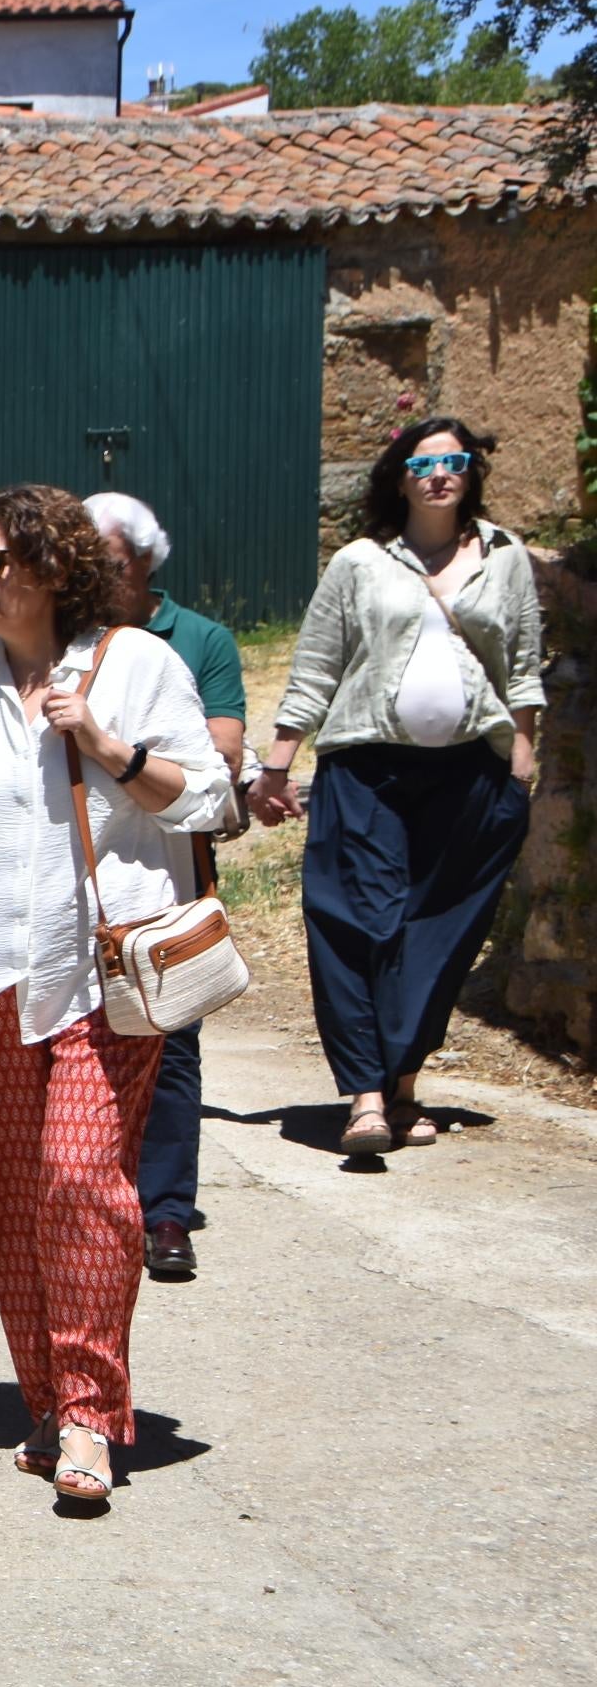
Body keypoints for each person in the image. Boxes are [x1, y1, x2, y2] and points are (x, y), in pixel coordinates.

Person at [0, 484, 230, 1504]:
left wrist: (101, 742)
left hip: (101, 970)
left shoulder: (137, 662)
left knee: (81, 1178)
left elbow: (212, 798)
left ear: (53, 567)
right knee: (12, 1197)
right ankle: (46, 1399)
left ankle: (95, 1412)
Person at [250, 419, 540, 1159]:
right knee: (356, 921)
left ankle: (405, 1082)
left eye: (454, 461)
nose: (440, 474)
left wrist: (524, 758)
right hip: (366, 770)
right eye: (424, 462)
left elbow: (525, 662)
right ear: (401, 475)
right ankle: (368, 1097)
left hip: (470, 771)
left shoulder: (504, 556)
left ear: (470, 471)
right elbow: (316, 666)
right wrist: (278, 765)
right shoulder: (360, 562)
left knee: (438, 930)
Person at [87, 491, 247, 1279]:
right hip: (84, 879)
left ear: (147, 562)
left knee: (170, 1037)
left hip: (168, 875)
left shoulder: (196, 640)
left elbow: (220, 757)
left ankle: (167, 1212)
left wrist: (123, 755)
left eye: (109, 562)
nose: (92, 575)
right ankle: (103, 1198)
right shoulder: (58, 644)